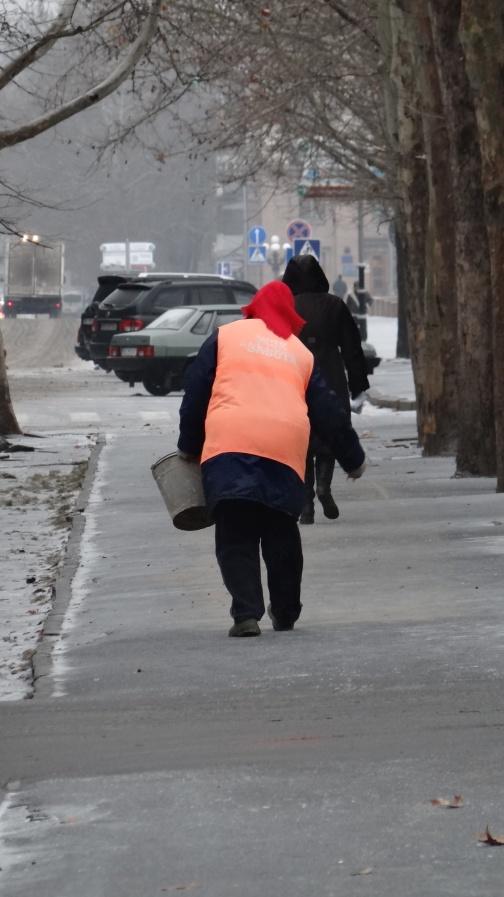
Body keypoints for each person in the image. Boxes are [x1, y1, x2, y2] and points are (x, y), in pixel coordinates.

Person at [177, 280, 365, 638]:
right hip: (283, 448)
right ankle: (286, 611)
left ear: (253, 308)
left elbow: (196, 393)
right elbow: (330, 412)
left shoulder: (225, 337)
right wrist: (353, 459)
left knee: (235, 532)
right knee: (281, 530)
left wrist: (188, 445)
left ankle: (246, 614)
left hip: (229, 445)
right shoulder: (300, 353)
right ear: (289, 314)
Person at [282, 255, 370, 524]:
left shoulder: (285, 306)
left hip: (294, 378)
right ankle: (324, 487)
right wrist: (358, 385)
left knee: (300, 442)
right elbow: (352, 349)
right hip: (330, 375)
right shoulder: (335, 305)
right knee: (329, 435)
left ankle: (305, 503)